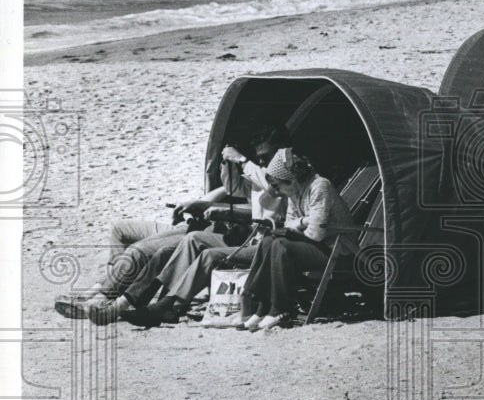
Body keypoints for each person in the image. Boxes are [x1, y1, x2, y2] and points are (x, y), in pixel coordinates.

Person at [106, 126, 290, 327]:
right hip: (252, 238)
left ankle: (169, 305)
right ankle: (145, 301)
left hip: (267, 244)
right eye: (259, 158)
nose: (262, 162)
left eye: (266, 157)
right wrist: (227, 164)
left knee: (206, 254)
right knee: (193, 239)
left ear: (280, 152)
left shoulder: (286, 176)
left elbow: (272, 187)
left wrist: (243, 161)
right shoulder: (259, 174)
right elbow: (234, 188)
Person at [53, 178, 232, 323]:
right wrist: (195, 204)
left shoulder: (254, 172)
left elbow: (245, 211)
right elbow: (225, 190)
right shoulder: (239, 173)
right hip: (191, 224)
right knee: (120, 230)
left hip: (209, 232)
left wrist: (208, 206)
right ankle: (112, 287)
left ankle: (100, 298)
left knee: (139, 250)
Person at [240, 148, 356, 331]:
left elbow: (315, 234)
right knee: (269, 240)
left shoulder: (320, 186)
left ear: (292, 180)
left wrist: (296, 226)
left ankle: (279, 308)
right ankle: (263, 307)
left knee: (280, 244)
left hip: (338, 251)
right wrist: (304, 221)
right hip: (319, 247)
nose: (277, 191)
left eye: (278, 186)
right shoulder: (296, 191)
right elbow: (290, 224)